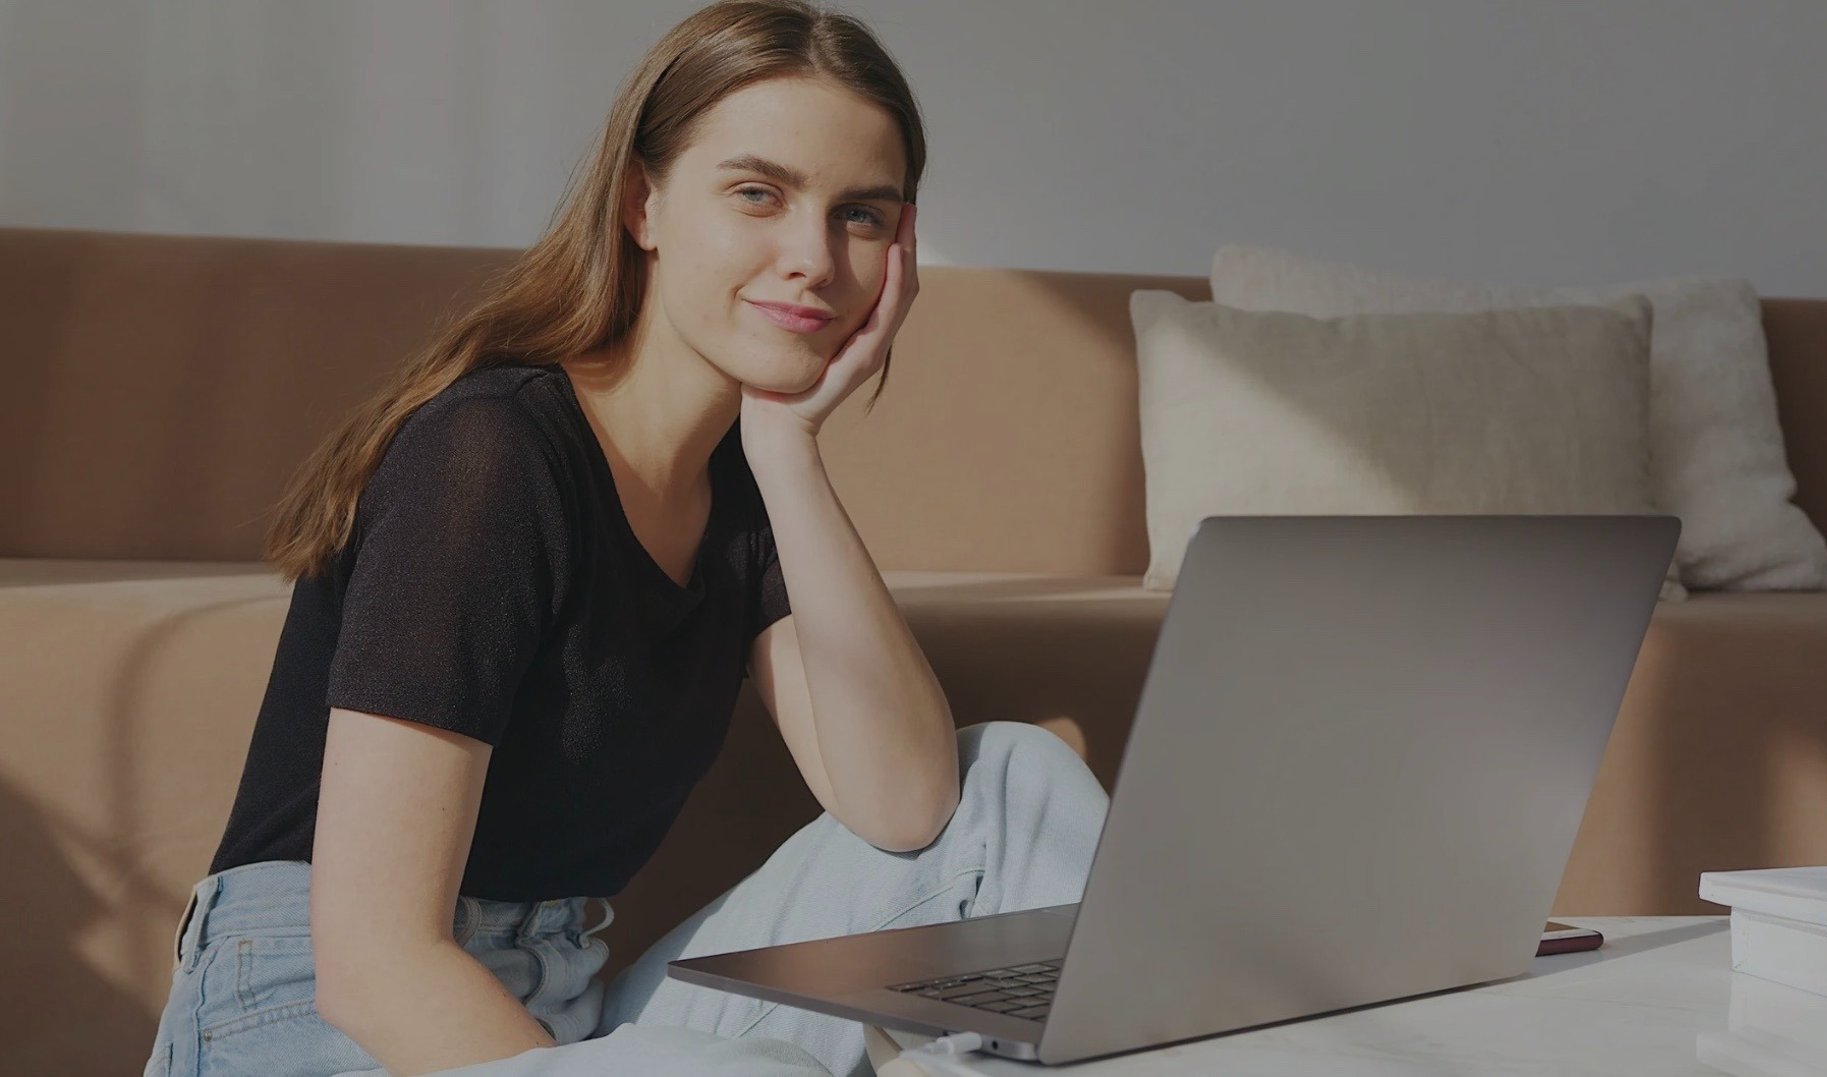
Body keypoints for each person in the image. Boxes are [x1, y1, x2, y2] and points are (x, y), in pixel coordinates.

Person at [140, 3, 1111, 1075]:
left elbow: (910, 810)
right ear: (643, 204)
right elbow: (373, 966)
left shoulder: (741, 484)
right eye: (759, 194)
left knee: (1012, 787)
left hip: (561, 1011)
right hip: (316, 1025)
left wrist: (789, 449)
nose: (814, 258)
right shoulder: (490, 457)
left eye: (862, 217)